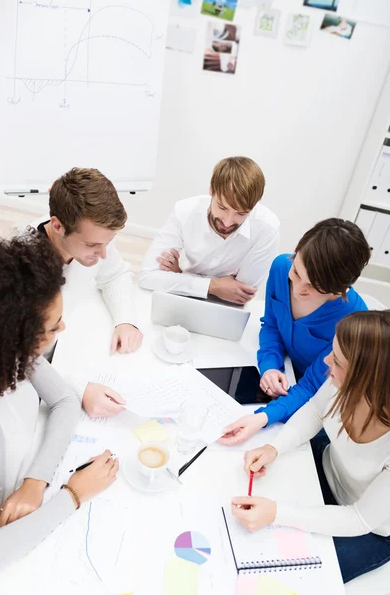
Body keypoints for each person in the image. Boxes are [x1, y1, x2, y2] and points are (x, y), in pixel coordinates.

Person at [0, 232, 119, 575]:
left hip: (28, 493)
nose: (63, 327)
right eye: (51, 327)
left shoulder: (14, 355)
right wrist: (73, 496)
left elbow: (64, 399)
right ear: (13, 334)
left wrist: (36, 481)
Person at [231, 310, 390, 584]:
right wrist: (274, 448)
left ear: (370, 382)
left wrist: (277, 514)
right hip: (327, 467)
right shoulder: (342, 381)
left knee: (286, 577)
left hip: (368, 527)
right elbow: (316, 411)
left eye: (337, 361)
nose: (327, 361)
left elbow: (360, 518)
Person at [220, 218, 371, 444]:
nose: (299, 289)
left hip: (317, 402)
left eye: (314, 287)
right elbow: (271, 325)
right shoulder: (281, 267)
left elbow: (312, 387)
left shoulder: (352, 320)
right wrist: (270, 366)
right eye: (297, 273)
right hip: (283, 381)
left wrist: (263, 417)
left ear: (340, 289)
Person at [28, 167, 143, 418]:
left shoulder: (91, 237)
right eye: (92, 245)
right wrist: (78, 390)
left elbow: (114, 274)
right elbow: (15, 357)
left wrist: (125, 320)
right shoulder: (21, 268)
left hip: (76, 347)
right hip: (39, 375)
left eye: (108, 243)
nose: (103, 254)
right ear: (57, 225)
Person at [139, 157, 280, 305]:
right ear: (211, 191)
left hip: (230, 307)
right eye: (223, 208)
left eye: (241, 213)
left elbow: (240, 295)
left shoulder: (267, 228)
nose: (228, 222)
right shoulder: (185, 211)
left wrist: (180, 277)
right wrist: (213, 286)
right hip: (181, 298)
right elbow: (147, 276)